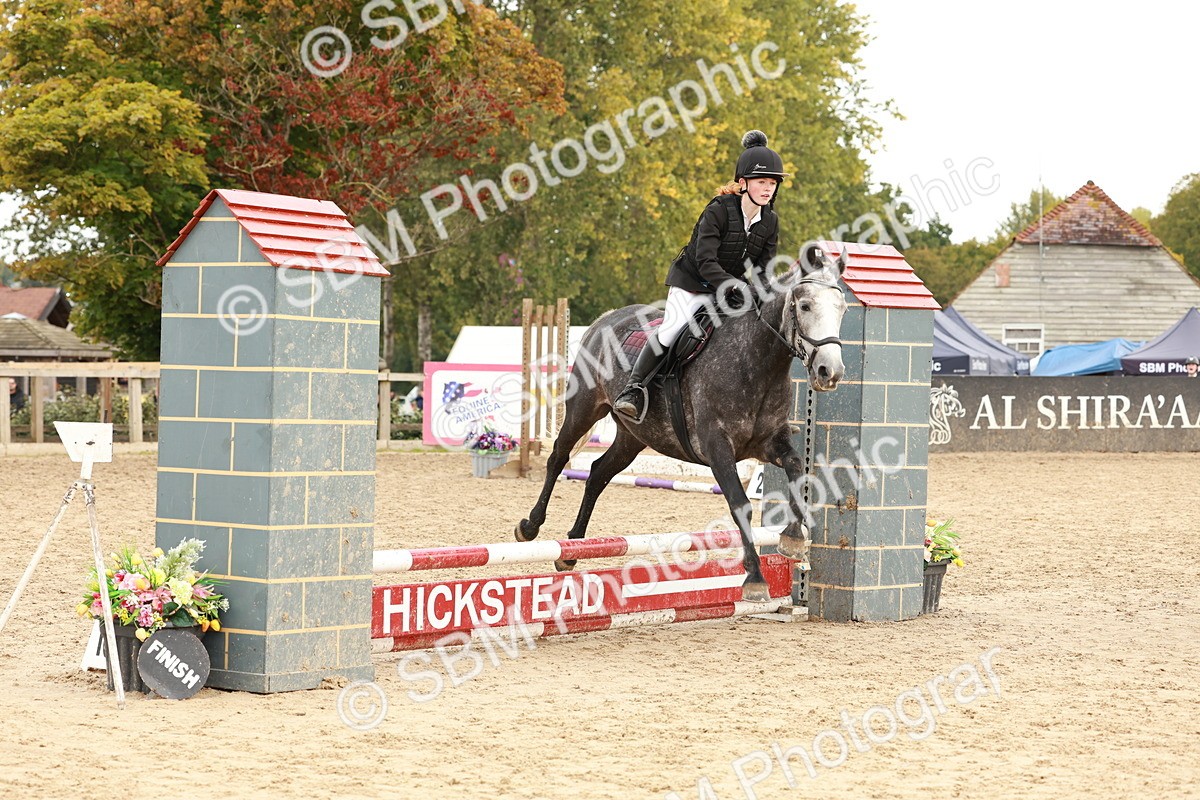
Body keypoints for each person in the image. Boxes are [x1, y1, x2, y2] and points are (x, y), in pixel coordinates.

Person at [613, 130, 786, 421]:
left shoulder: (770, 221)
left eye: (772, 183)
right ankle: (633, 389)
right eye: (761, 182)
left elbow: (763, 269)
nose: (768, 189)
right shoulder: (718, 211)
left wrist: (761, 292)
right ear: (743, 183)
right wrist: (734, 285)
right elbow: (705, 261)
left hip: (728, 291)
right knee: (672, 329)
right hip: (692, 283)